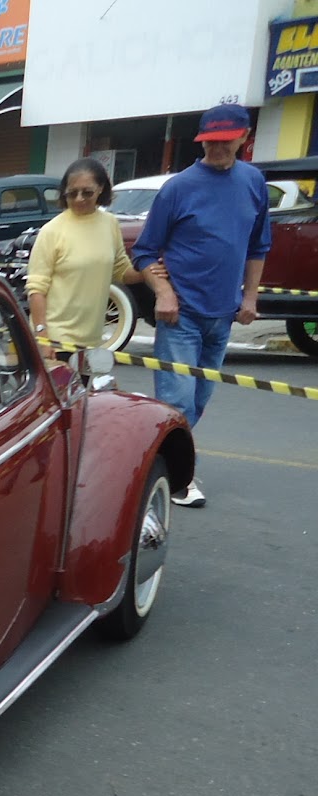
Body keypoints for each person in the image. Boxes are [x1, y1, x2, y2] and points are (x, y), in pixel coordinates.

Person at [131, 104, 270, 508]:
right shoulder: (178, 188)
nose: (218, 148)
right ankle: (176, 478)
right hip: (181, 314)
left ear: (244, 138)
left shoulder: (253, 182)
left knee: (199, 399)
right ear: (202, 139)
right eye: (211, 140)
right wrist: (164, 292)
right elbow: (144, 251)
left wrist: (249, 297)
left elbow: (259, 244)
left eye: (227, 140)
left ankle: (156, 461)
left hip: (223, 313)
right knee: (176, 398)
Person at [26, 157, 149, 368]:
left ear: (101, 188)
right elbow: (36, 289)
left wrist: (149, 272)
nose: (79, 198)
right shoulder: (52, 231)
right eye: (72, 193)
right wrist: (42, 335)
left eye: (87, 192)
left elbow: (120, 269)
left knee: (85, 399)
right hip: (56, 341)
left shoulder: (110, 224)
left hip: (91, 341)